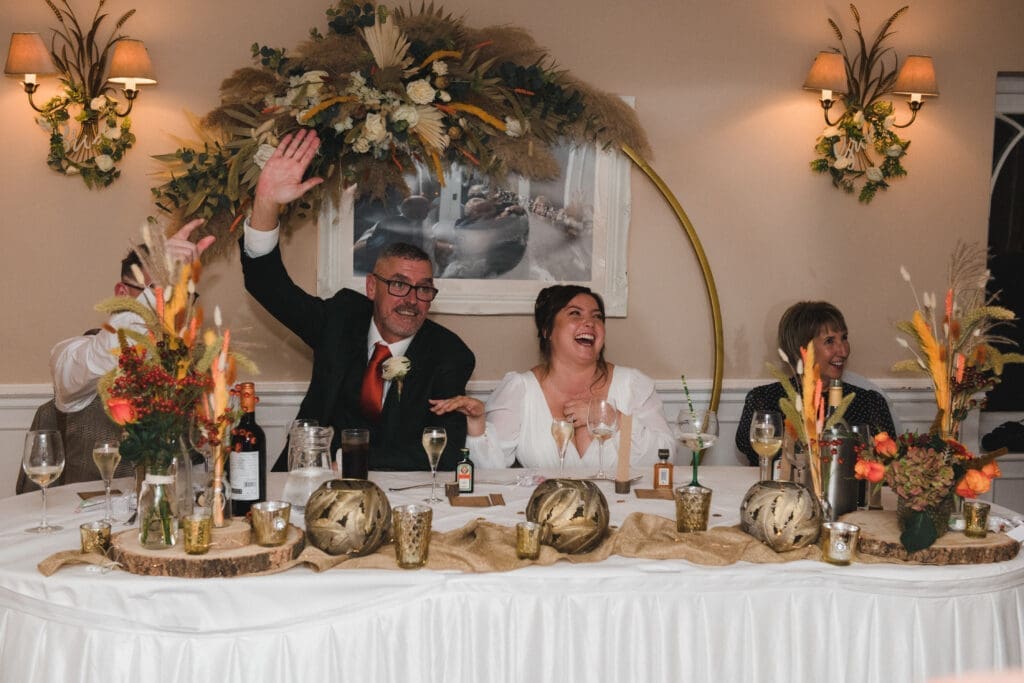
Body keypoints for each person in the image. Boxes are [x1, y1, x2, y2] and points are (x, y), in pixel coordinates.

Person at [241, 129, 475, 471]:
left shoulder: (449, 355)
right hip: (307, 480)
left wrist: (345, 460)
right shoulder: (340, 318)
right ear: (371, 287)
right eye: (398, 284)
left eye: (424, 289)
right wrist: (266, 204)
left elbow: (447, 452)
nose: (412, 300)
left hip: (395, 495)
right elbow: (269, 286)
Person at [40, 220, 212, 489]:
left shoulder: (195, 368)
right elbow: (112, 353)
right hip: (91, 519)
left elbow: (202, 461)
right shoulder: (75, 355)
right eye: (156, 294)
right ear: (121, 293)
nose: (168, 308)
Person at [429, 284, 674, 469]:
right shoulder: (520, 390)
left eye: (597, 317)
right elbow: (490, 471)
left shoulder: (632, 385)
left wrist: (613, 418)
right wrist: (477, 424)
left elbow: (666, 456)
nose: (589, 322)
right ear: (547, 330)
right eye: (575, 314)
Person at [735, 301, 896, 466]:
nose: (843, 350)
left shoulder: (870, 403)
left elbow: (888, 465)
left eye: (844, 338)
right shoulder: (764, 400)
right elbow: (757, 458)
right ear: (803, 349)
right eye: (830, 341)